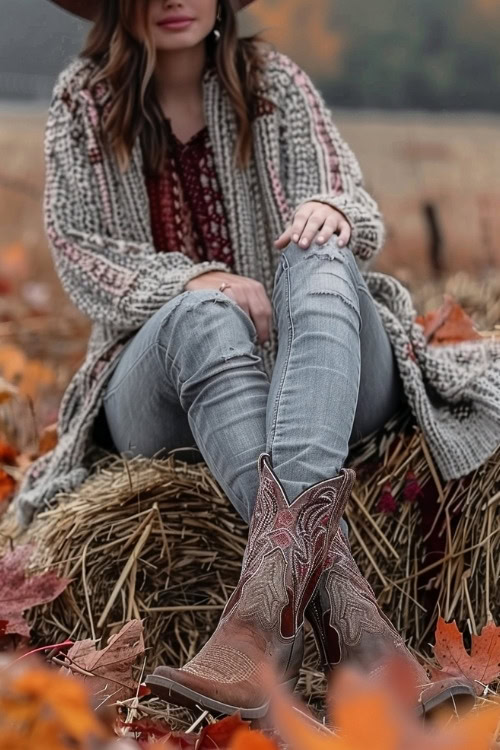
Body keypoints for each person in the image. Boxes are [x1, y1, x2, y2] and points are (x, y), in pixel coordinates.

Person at [16, 0, 500, 719]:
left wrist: (331, 214)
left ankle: (264, 632)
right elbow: (83, 256)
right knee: (204, 314)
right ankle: (363, 635)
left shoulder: (276, 83)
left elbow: (348, 197)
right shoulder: (83, 104)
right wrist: (193, 278)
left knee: (322, 254)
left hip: (323, 368)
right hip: (160, 390)